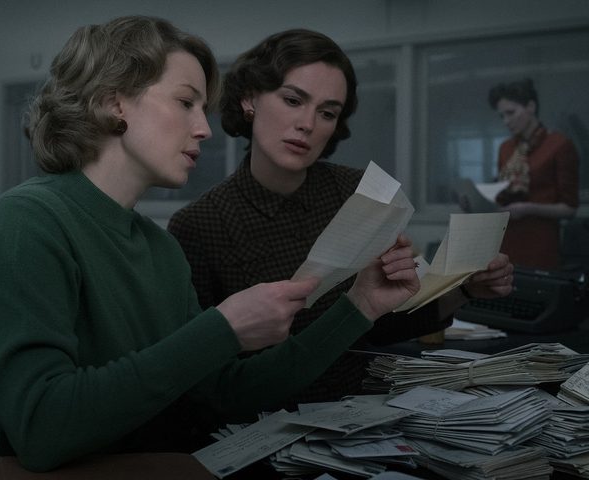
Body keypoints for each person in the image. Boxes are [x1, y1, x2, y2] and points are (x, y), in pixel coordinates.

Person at [0, 17, 422, 479]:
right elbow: (41, 430)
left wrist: (359, 305)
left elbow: (224, 393)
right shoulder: (27, 222)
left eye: (203, 109)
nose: (204, 129)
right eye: (185, 102)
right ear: (114, 103)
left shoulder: (160, 248)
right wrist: (222, 328)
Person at [168, 28, 514, 407]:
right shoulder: (199, 224)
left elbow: (378, 326)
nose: (308, 123)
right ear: (250, 99)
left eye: (327, 112)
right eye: (293, 100)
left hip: (361, 409)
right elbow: (204, 380)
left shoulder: (358, 192)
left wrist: (464, 290)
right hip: (260, 417)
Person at [487, 78, 580, 270]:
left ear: (530, 106)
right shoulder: (506, 148)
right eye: (501, 116)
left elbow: (570, 209)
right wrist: (477, 202)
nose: (506, 121)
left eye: (511, 113)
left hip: (540, 243)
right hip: (506, 240)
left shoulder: (559, 145)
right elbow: (501, 195)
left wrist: (528, 208)